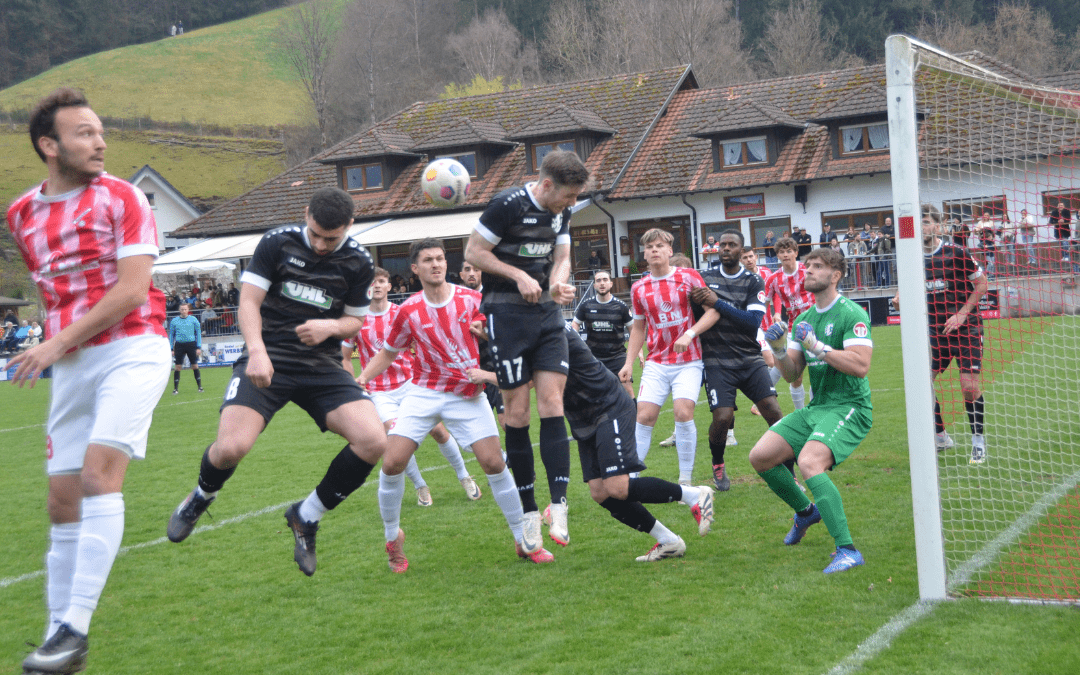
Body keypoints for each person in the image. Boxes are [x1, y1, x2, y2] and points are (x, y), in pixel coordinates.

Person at [8, 87, 172, 674]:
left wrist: (51, 344)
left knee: (100, 475)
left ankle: (74, 629)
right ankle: (57, 638)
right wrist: (57, 344)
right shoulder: (21, 213)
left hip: (133, 348)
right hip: (73, 364)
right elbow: (50, 291)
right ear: (49, 146)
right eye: (84, 133)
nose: (100, 141)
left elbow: (132, 290)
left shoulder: (124, 197)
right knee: (61, 499)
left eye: (101, 131)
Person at [165, 187, 386, 580]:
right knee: (232, 447)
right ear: (306, 214)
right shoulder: (276, 243)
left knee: (373, 440)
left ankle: (306, 517)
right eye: (314, 233)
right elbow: (248, 302)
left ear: (350, 227)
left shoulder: (358, 261)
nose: (319, 244)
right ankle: (201, 497)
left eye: (330, 238)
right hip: (268, 355)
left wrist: (331, 326)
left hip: (321, 363)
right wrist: (257, 350)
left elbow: (355, 320)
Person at [359, 239, 546, 570]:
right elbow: (389, 351)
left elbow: (502, 338)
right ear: (415, 269)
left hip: (466, 394)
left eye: (441, 258)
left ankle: (523, 539)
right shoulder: (408, 310)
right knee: (392, 464)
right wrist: (362, 379)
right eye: (428, 260)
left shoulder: (472, 300)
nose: (436, 264)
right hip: (424, 392)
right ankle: (393, 539)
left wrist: (486, 334)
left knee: (493, 463)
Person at [464, 149, 587, 547]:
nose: (572, 204)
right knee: (516, 412)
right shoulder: (507, 205)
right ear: (547, 185)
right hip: (507, 317)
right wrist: (517, 274)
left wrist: (556, 282)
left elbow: (563, 255)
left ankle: (560, 505)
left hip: (548, 315)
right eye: (569, 196)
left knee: (552, 402)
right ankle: (529, 511)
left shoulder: (561, 210)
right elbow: (473, 253)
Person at [751, 246, 874, 574]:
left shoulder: (852, 314)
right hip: (819, 406)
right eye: (807, 267)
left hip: (850, 406)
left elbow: (861, 366)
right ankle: (806, 512)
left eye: (817, 267)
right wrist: (778, 350)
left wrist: (818, 346)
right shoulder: (804, 319)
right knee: (760, 456)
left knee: (808, 462)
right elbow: (792, 374)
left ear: (835, 276)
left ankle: (847, 549)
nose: (808, 272)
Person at [342, 266, 480, 507]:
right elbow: (344, 356)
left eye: (381, 281)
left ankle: (464, 476)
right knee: (397, 438)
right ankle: (421, 486)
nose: (376, 285)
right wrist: (354, 386)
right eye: (371, 282)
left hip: (411, 384)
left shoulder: (402, 312)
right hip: (379, 391)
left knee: (438, 431)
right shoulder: (357, 319)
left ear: (388, 286)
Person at [620, 228, 719, 485]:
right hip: (656, 362)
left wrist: (690, 334)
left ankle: (685, 481)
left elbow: (713, 312)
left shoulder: (688, 276)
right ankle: (632, 481)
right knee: (644, 416)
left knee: (683, 413)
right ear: (644, 253)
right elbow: (639, 328)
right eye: (649, 246)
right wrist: (629, 362)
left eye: (659, 245)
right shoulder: (639, 287)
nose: (654, 250)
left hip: (689, 360)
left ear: (669, 251)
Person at [689, 232, 785, 492]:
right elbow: (700, 313)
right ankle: (718, 463)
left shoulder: (754, 281)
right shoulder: (704, 279)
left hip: (749, 358)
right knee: (722, 417)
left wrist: (717, 302)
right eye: (723, 245)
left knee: (774, 412)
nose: (726, 249)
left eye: (732, 245)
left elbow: (752, 323)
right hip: (717, 360)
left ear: (742, 250)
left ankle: (788, 470)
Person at [893, 204, 989, 463]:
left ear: (938, 225)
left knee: (969, 387)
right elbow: (904, 293)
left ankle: (978, 441)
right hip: (934, 332)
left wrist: (962, 313)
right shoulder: (910, 256)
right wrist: (899, 300)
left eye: (926, 222)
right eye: (918, 222)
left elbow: (982, 284)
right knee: (922, 384)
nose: (922, 227)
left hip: (966, 327)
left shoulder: (956, 252)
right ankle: (940, 436)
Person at [763, 237, 813, 410]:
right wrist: (769, 321)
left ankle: (817, 409)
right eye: (781, 252)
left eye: (789, 251)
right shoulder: (774, 279)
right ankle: (801, 413)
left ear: (796, 253)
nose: (785, 255)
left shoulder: (808, 270)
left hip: (817, 324)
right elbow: (764, 302)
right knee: (794, 375)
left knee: (818, 371)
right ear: (777, 255)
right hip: (793, 328)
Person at [572, 269, 634, 399]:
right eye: (598, 280)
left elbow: (633, 330)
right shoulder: (586, 305)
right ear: (594, 285)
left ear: (611, 284)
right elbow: (575, 324)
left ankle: (634, 418)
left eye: (605, 280)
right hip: (594, 357)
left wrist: (638, 351)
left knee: (627, 388)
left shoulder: (621, 307)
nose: (602, 283)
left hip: (617, 356)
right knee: (592, 393)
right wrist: (574, 341)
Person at [460, 261, 505, 428]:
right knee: (475, 429)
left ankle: (514, 455)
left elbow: (506, 338)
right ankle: (501, 455)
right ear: (461, 275)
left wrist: (483, 334)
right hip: (469, 374)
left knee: (507, 421)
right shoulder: (455, 302)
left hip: (495, 369)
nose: (472, 273)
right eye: (467, 270)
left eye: (476, 269)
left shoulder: (493, 300)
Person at [168, 303, 203, 394]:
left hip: (191, 345)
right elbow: (171, 335)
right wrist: (171, 348)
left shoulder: (194, 319)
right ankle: (175, 389)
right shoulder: (174, 321)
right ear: (179, 310)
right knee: (178, 367)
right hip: (179, 345)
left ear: (188, 310)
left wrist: (198, 347)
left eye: (185, 309)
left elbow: (198, 334)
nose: (183, 311)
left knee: (194, 365)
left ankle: (200, 387)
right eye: (182, 309)